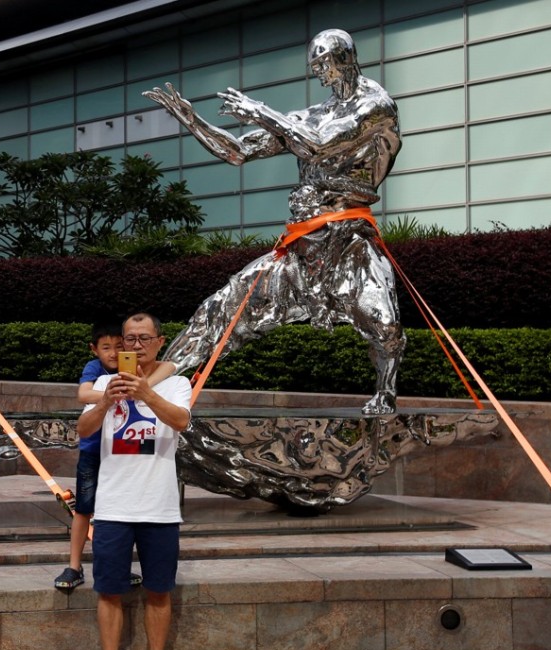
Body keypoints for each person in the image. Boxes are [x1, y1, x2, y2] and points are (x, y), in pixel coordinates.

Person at [144, 28, 406, 415]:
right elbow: (237, 151)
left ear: (345, 59)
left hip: (348, 239)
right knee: (222, 306)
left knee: (383, 326)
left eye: (324, 63)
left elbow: (317, 145)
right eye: (314, 65)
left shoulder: (376, 106)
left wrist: (261, 111)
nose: (318, 71)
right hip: (301, 244)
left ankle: (385, 392)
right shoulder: (311, 114)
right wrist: (192, 121)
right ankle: (153, 386)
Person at [77, 312, 191, 650]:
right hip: (113, 505)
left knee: (159, 589)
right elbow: (82, 429)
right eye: (130, 339)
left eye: (144, 338)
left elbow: (180, 421)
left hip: (159, 508)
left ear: (160, 341)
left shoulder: (176, 383)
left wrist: (146, 394)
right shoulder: (106, 382)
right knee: (109, 589)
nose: (136, 345)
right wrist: (104, 402)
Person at [54, 322, 176, 591]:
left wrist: (142, 387)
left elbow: (171, 366)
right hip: (93, 452)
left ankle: (120, 567)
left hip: (125, 457)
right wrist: (115, 393)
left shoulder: (141, 372)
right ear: (94, 349)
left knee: (124, 515)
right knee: (84, 508)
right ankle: (74, 565)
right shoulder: (96, 370)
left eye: (118, 347)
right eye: (105, 348)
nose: (113, 353)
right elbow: (82, 394)